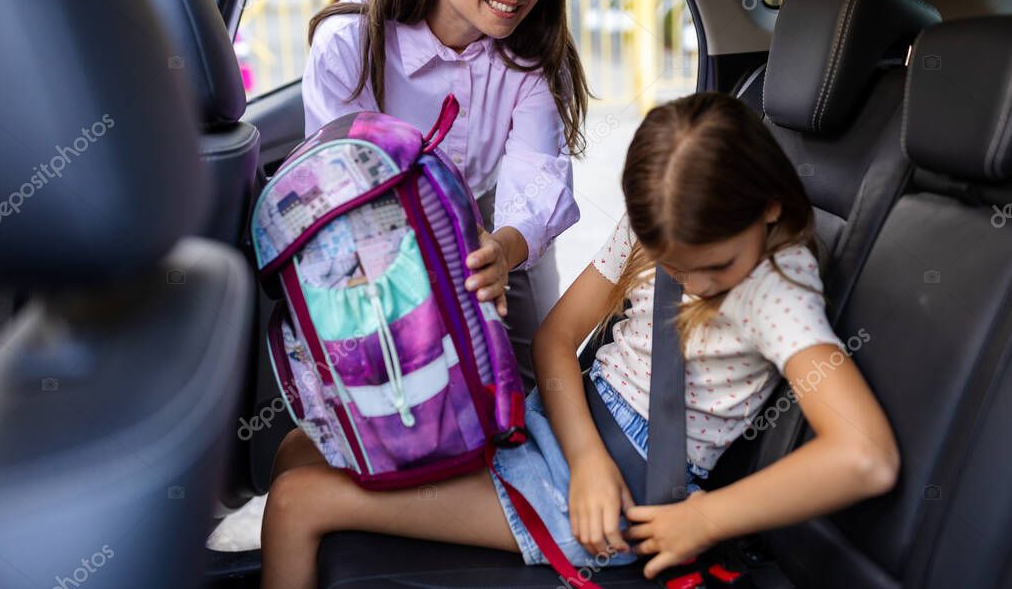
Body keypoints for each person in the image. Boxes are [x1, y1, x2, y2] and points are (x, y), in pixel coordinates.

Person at [260, 92, 900, 589]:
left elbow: (866, 455)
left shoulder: (774, 289)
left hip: (623, 494)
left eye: (715, 268)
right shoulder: (662, 221)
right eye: (673, 266)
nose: (695, 284)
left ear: (767, 207)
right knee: (297, 448)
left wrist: (703, 519)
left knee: (297, 502)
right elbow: (556, 339)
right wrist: (586, 456)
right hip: (568, 438)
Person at [301, 0, 589, 394]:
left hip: (493, 219)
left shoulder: (534, 62)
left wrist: (501, 252)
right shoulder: (350, 43)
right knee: (417, 389)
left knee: (535, 381)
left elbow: (535, 182)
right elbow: (344, 188)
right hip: (379, 235)